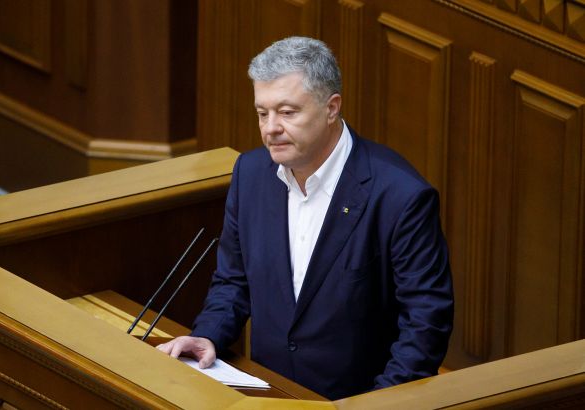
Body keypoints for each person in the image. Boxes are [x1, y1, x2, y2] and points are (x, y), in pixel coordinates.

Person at [157, 36, 453, 400]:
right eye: (262, 113)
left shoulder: (400, 196)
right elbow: (233, 281)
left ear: (331, 108)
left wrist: (377, 404)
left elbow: (426, 322)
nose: (271, 128)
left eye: (287, 112)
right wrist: (208, 335)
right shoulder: (251, 173)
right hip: (270, 397)